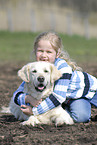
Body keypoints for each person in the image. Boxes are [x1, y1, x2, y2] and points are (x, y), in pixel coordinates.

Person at [13, 31, 97, 123]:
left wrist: (33, 111)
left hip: (86, 91)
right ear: (35, 51)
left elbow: (58, 97)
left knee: (81, 117)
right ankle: (63, 108)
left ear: (57, 54)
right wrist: (27, 98)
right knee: (54, 106)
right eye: (40, 51)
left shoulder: (63, 69)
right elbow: (17, 94)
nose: (44, 56)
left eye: (49, 52)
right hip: (67, 98)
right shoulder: (36, 69)